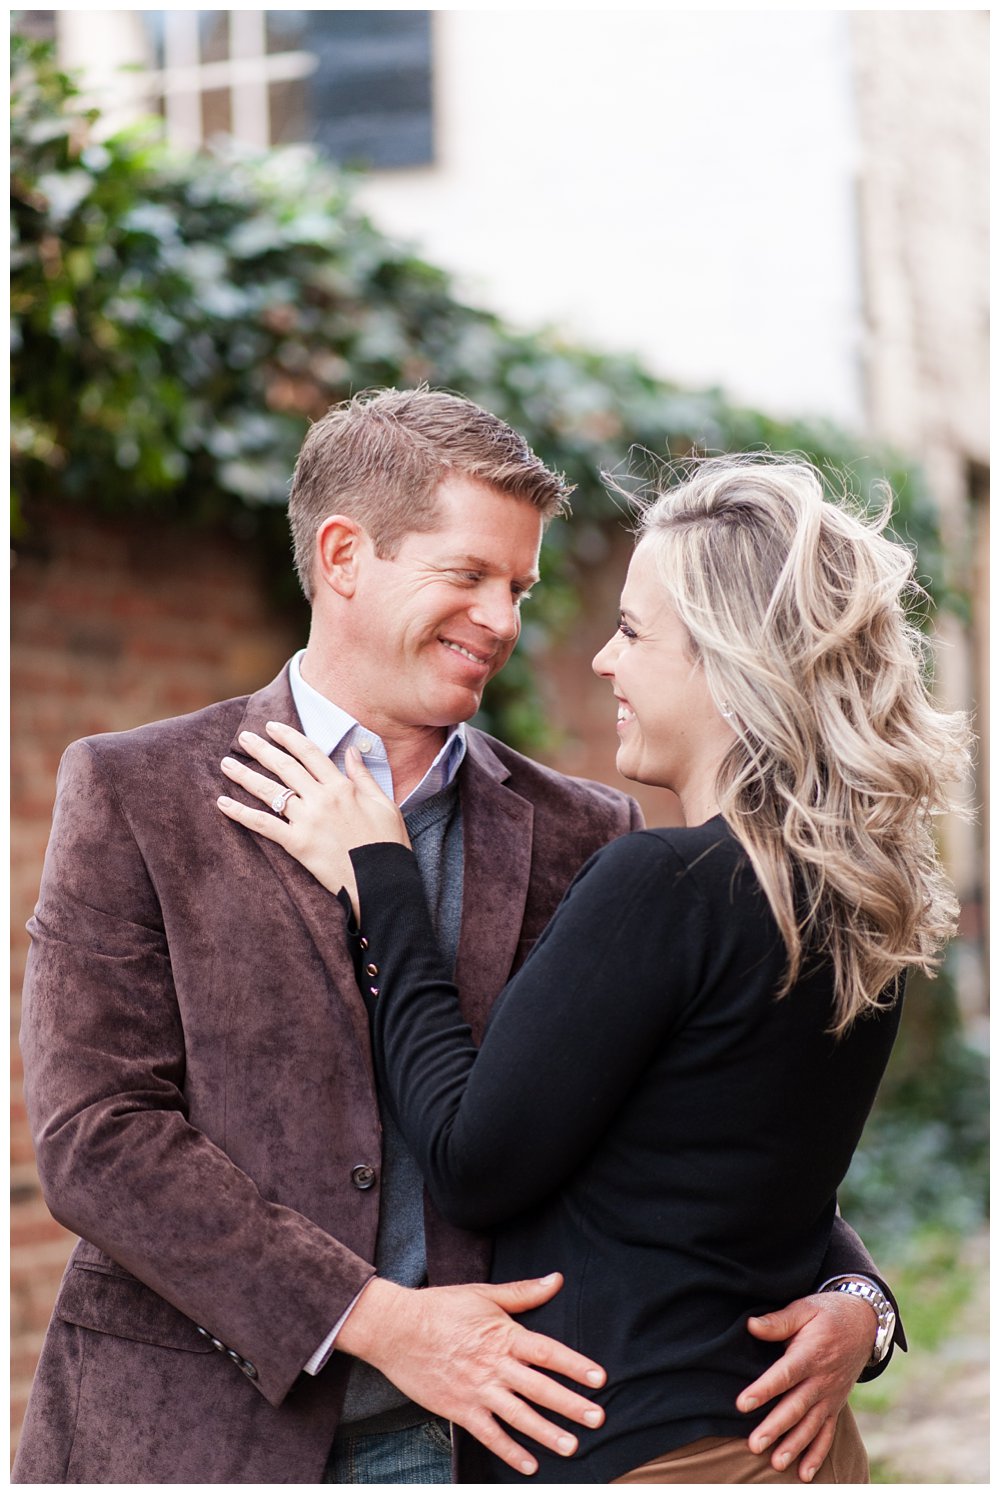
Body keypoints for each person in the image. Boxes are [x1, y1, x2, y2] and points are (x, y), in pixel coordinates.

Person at [18, 395, 892, 1486]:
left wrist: (857, 1295)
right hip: (198, 1436)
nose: (504, 620)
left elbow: (687, 1122)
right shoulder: (139, 793)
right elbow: (97, 1136)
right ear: (344, 556)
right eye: (468, 574)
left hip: (501, 1446)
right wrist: (375, 1319)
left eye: (520, 587)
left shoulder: (588, 828)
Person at [218, 452, 968, 1483]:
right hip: (782, 1446)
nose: (602, 661)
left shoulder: (665, 882)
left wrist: (377, 872)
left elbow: (476, 1161)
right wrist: (865, 1302)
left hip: (646, 1454)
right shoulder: (852, 894)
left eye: (632, 631)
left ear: (722, 660)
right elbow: (720, 1166)